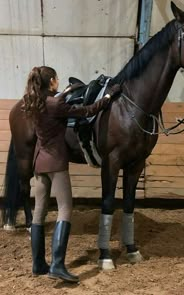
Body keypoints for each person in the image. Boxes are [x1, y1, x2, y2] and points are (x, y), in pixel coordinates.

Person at [21, 66, 120, 283]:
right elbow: (88, 111)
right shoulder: (57, 104)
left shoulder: (32, 101)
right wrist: (108, 96)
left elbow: (53, 105)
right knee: (65, 209)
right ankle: (57, 264)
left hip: (39, 162)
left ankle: (38, 264)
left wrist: (65, 92)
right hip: (56, 162)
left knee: (39, 212)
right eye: (56, 79)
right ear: (52, 82)